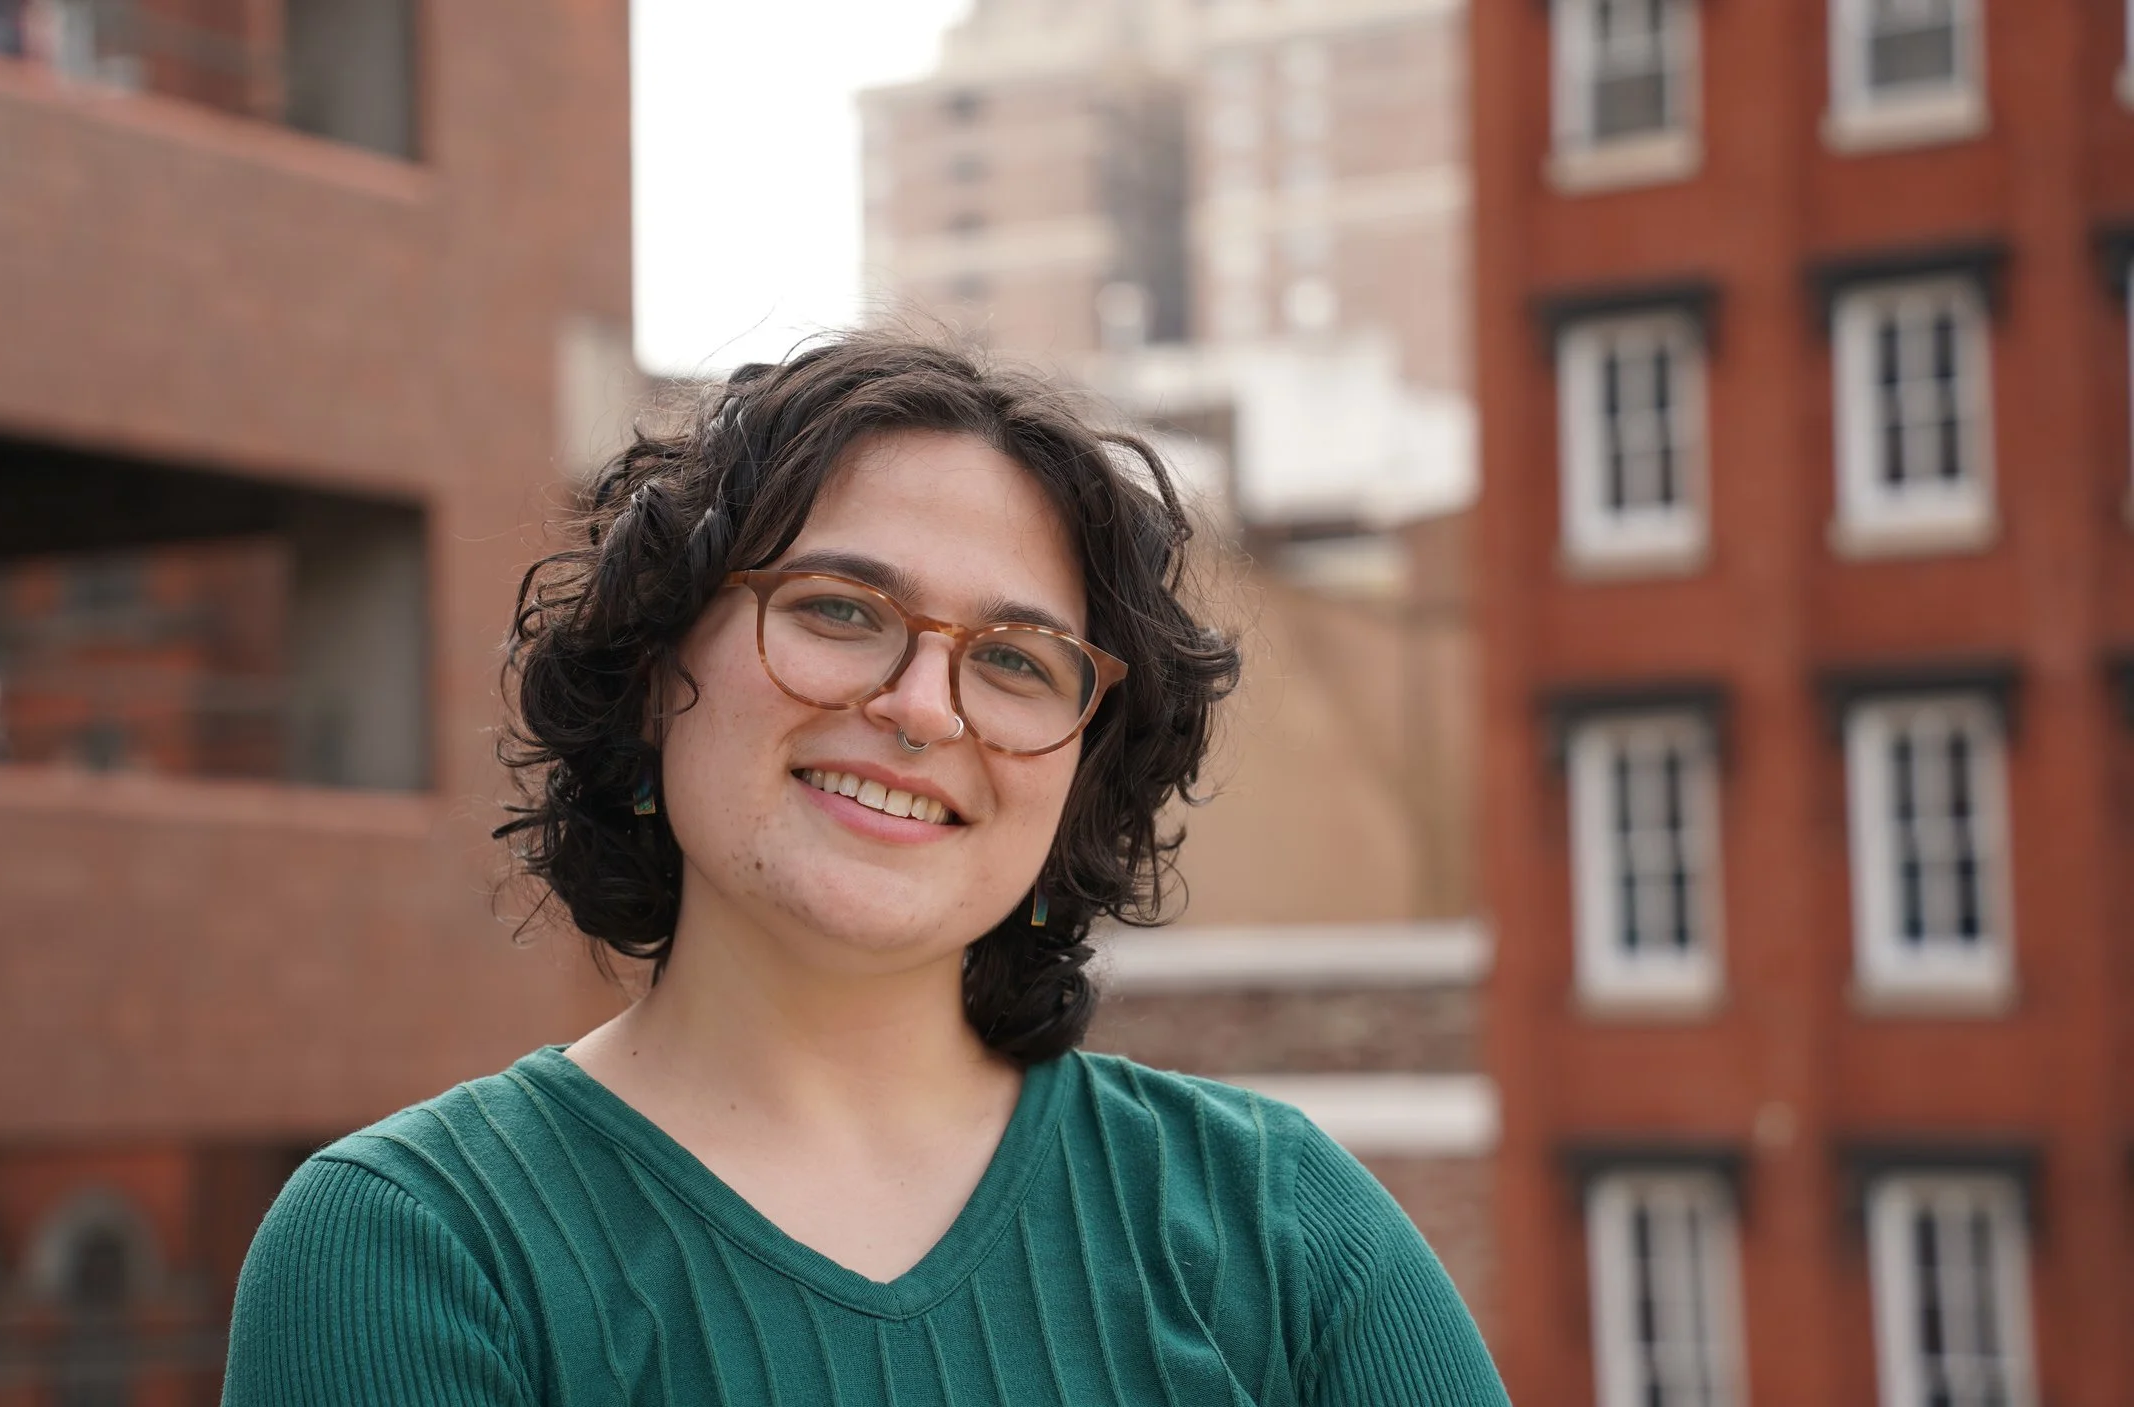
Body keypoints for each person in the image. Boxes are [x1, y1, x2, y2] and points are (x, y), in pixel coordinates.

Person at [220, 333, 1509, 1404]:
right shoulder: (418, 1252)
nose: (924, 707)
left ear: (1075, 777)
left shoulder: (1280, 1234)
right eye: (841, 609)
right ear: (661, 669)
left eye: (1015, 660)